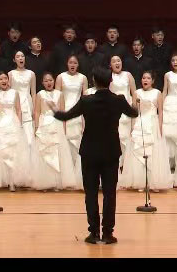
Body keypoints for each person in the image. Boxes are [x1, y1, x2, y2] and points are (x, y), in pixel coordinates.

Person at [49, 66, 140, 245]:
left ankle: (94, 232)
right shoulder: (119, 100)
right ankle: (108, 233)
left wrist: (54, 110)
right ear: (111, 81)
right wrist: (136, 103)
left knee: (90, 193)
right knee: (109, 194)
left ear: (93, 81)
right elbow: (134, 113)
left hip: (89, 152)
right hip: (111, 152)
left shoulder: (86, 101)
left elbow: (65, 116)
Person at [118, 71, 173, 192]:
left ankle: (154, 182)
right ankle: (140, 182)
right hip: (140, 123)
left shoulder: (157, 93)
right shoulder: (137, 93)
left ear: (152, 81)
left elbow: (160, 112)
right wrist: (132, 127)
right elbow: (134, 112)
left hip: (152, 124)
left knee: (153, 152)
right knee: (139, 151)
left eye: (148, 78)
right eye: (143, 78)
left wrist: (160, 127)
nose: (145, 80)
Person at [30, 72, 77, 191]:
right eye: (46, 81)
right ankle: (45, 182)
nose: (48, 83)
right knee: (45, 153)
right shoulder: (40, 94)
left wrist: (64, 130)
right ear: (42, 83)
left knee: (57, 153)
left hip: (57, 126)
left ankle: (57, 182)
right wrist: (36, 127)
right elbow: (37, 112)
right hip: (44, 126)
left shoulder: (59, 94)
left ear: (54, 81)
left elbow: (63, 112)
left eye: (50, 80)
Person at [55, 55, 88, 165]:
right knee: (65, 139)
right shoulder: (60, 77)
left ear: (78, 65)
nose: (72, 65)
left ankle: (77, 168)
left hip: (78, 112)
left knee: (78, 140)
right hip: (65, 111)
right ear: (67, 64)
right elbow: (57, 97)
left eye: (75, 63)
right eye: (70, 62)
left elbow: (85, 98)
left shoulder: (83, 78)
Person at [108, 55, 137, 167]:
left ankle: (126, 165)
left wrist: (134, 110)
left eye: (118, 61)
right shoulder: (109, 76)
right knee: (116, 137)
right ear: (110, 65)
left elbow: (134, 93)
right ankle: (117, 164)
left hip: (127, 110)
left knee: (127, 136)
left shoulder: (128, 75)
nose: (117, 63)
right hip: (113, 111)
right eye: (114, 61)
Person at [9, 51, 37, 147]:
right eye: (18, 56)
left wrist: (34, 108)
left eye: (22, 56)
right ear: (14, 60)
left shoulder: (31, 74)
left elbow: (33, 93)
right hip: (15, 103)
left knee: (28, 129)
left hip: (27, 102)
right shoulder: (11, 74)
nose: (20, 58)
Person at [144, 27, 173, 91]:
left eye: (161, 35)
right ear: (152, 36)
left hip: (165, 77)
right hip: (153, 78)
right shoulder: (148, 49)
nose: (160, 37)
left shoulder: (168, 48)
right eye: (158, 35)